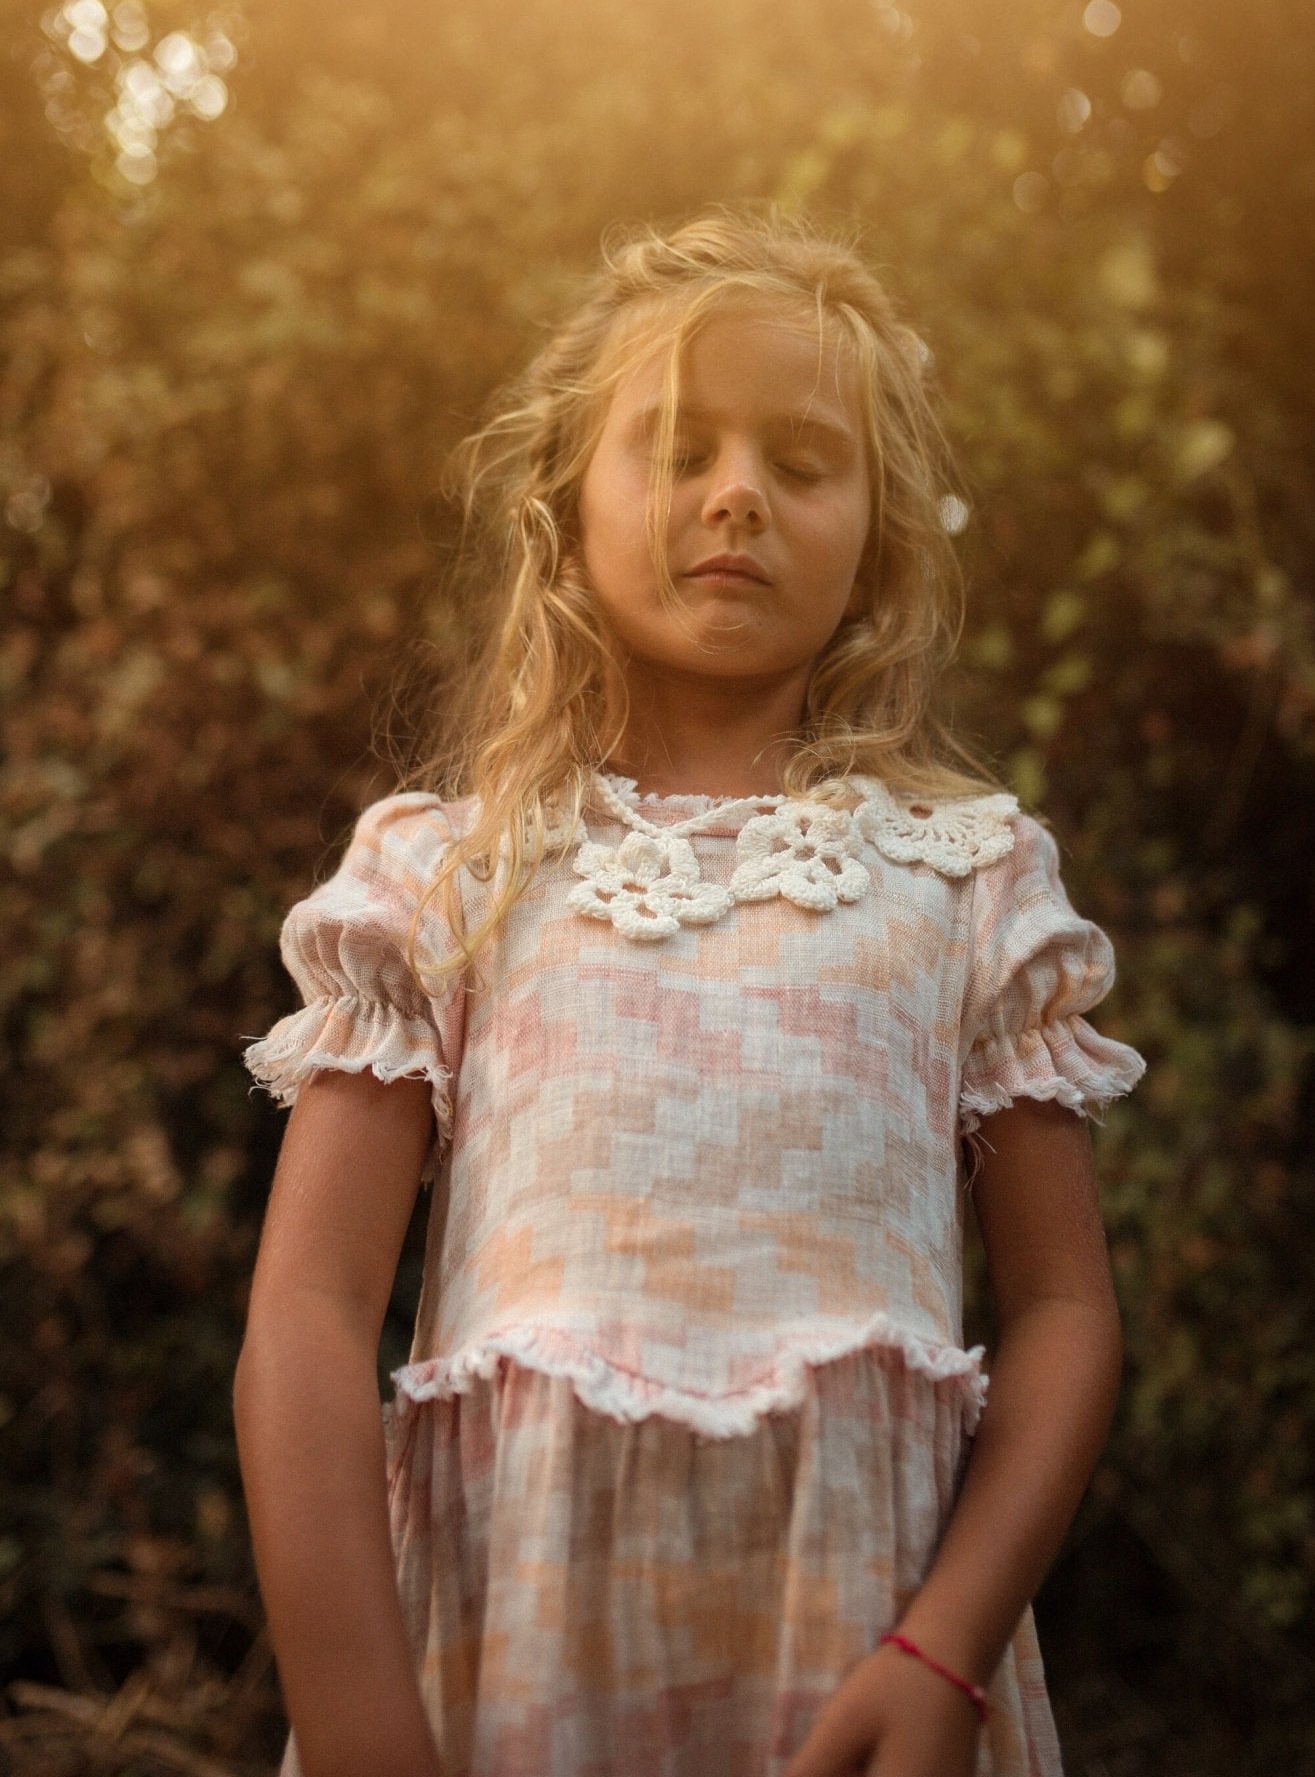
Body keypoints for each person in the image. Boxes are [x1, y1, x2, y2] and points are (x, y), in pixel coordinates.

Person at [235, 202, 1147, 1777]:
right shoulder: (448, 876)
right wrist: (362, 1729)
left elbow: (1064, 1312)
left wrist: (945, 1651)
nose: (736, 494)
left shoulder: (968, 883)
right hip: (510, 1672)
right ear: (562, 505)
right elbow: (307, 1321)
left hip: (872, 1665)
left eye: (800, 463)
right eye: (675, 447)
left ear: (875, 530)